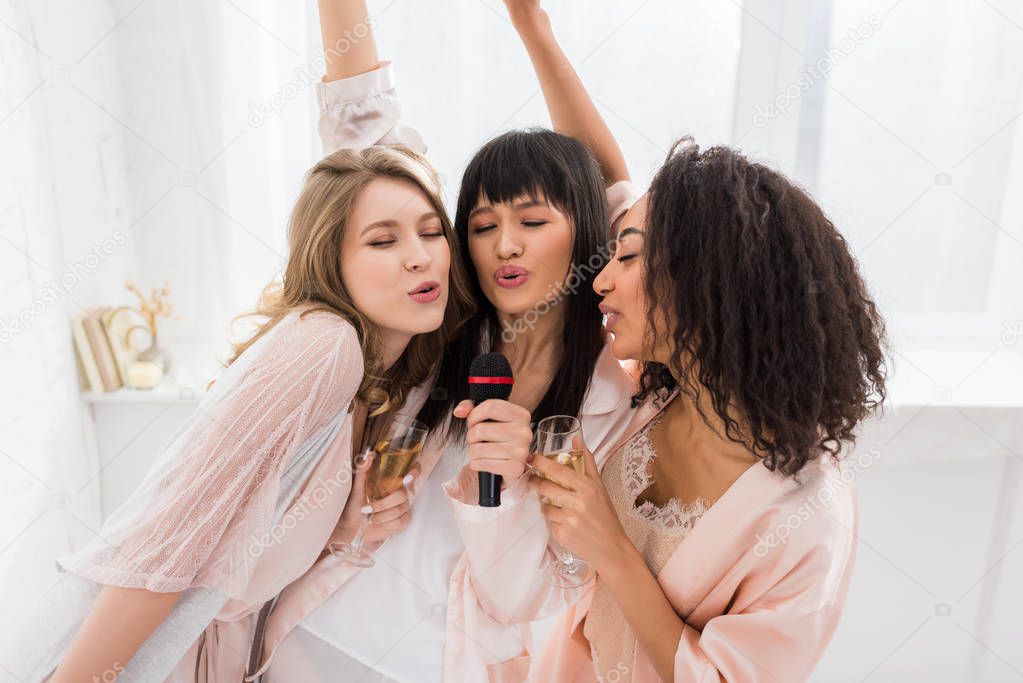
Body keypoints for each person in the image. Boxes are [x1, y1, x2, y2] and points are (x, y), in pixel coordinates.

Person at [449, 3, 889, 681]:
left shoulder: (805, 517)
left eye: (626, 258)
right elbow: (600, 179)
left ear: (705, 280)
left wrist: (612, 550)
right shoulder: (648, 402)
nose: (600, 282)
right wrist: (532, 30)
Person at [251, 1, 648, 680]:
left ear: (587, 235)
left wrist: (533, 28)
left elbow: (530, 595)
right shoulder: (440, 325)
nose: (505, 244)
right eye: (484, 224)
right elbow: (362, 128)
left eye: (530, 219)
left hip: (443, 663)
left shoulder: (616, 403)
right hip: (316, 637)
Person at [9, 139, 474, 681]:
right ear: (331, 261)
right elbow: (166, 541)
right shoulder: (325, 347)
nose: (419, 255)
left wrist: (343, 527)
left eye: (432, 231)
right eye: (382, 240)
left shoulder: (364, 390)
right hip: (100, 658)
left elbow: (244, 551)